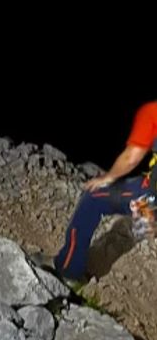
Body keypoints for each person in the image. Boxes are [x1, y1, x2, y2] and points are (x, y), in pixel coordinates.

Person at [53, 100, 157, 288]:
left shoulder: (152, 111)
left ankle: (68, 271)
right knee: (141, 207)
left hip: (153, 194)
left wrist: (106, 178)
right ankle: (145, 218)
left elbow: (131, 159)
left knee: (93, 197)